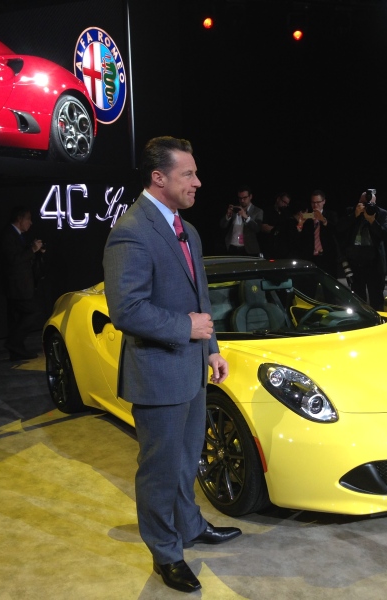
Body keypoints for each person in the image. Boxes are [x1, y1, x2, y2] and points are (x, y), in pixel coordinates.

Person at [102, 136, 237, 594]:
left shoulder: (188, 229)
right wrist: (187, 328)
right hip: (158, 374)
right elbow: (127, 310)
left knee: (186, 460)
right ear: (158, 178)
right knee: (160, 470)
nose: (198, 182)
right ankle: (166, 551)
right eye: (188, 174)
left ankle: (192, 525)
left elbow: (200, 302)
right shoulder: (131, 231)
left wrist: (212, 346)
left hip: (193, 369)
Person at [0, 206, 45, 361]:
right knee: (33, 311)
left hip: (19, 285)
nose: (30, 223)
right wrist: (32, 250)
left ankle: (16, 349)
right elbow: (13, 260)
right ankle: (13, 343)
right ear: (20, 219)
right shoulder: (8, 235)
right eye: (28, 219)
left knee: (16, 317)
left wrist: (33, 250)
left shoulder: (17, 236)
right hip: (17, 286)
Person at [340, 190, 387, 309]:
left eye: (370, 204)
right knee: (357, 301)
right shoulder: (352, 212)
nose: (366, 206)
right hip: (355, 263)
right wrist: (354, 215)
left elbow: (384, 235)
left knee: (377, 300)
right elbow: (340, 228)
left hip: (374, 264)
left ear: (375, 203)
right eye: (363, 203)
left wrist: (372, 221)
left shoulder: (381, 213)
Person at [295, 189, 340, 277]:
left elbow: (336, 231)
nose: (315, 205)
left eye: (318, 202)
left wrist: (323, 220)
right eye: (313, 202)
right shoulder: (307, 217)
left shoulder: (331, 215)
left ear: (324, 202)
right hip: (310, 258)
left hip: (327, 257)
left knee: (328, 286)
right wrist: (300, 224)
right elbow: (299, 239)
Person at [219, 185, 263, 256]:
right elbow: (222, 225)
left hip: (248, 249)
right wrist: (228, 216)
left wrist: (246, 217)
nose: (242, 200)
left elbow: (257, 228)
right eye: (240, 198)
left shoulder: (257, 211)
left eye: (245, 198)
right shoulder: (235, 209)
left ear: (250, 197)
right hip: (232, 246)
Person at [259, 191, 293, 258]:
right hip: (268, 246)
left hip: (282, 249)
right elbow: (264, 227)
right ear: (278, 199)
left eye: (287, 204)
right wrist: (279, 230)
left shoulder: (287, 214)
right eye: (284, 202)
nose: (285, 205)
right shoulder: (267, 211)